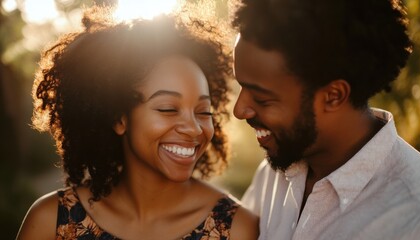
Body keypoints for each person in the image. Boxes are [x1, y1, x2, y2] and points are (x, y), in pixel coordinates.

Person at [16, 6, 258, 240]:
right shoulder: (52, 223)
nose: (194, 128)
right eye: (168, 109)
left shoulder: (236, 229)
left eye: (204, 112)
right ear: (118, 118)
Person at [231, 0, 420, 239]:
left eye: (262, 99)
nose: (239, 110)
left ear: (334, 96)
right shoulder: (276, 171)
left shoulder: (417, 221)